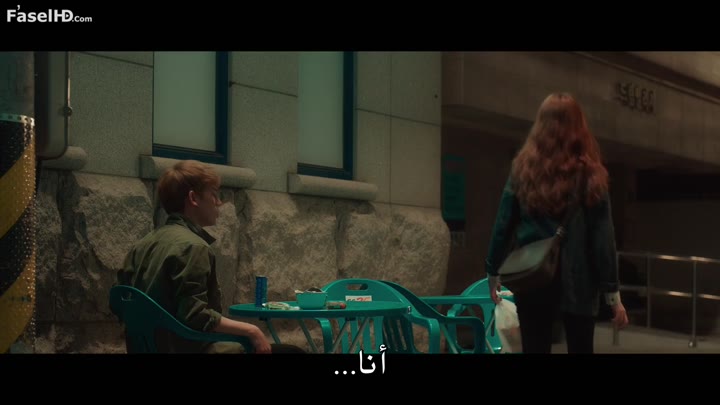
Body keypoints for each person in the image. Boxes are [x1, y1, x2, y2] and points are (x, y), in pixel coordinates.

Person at [485, 92, 629, 354]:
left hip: (533, 277)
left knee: (534, 347)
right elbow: (603, 239)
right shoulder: (590, 174)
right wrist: (612, 294)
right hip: (579, 282)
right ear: (579, 127)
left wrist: (493, 270)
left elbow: (503, 222)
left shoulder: (523, 170)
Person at [117, 159, 305, 354]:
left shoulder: (141, 246)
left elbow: (119, 304)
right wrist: (252, 330)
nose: (219, 202)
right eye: (214, 194)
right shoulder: (193, 247)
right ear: (193, 198)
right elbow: (195, 315)